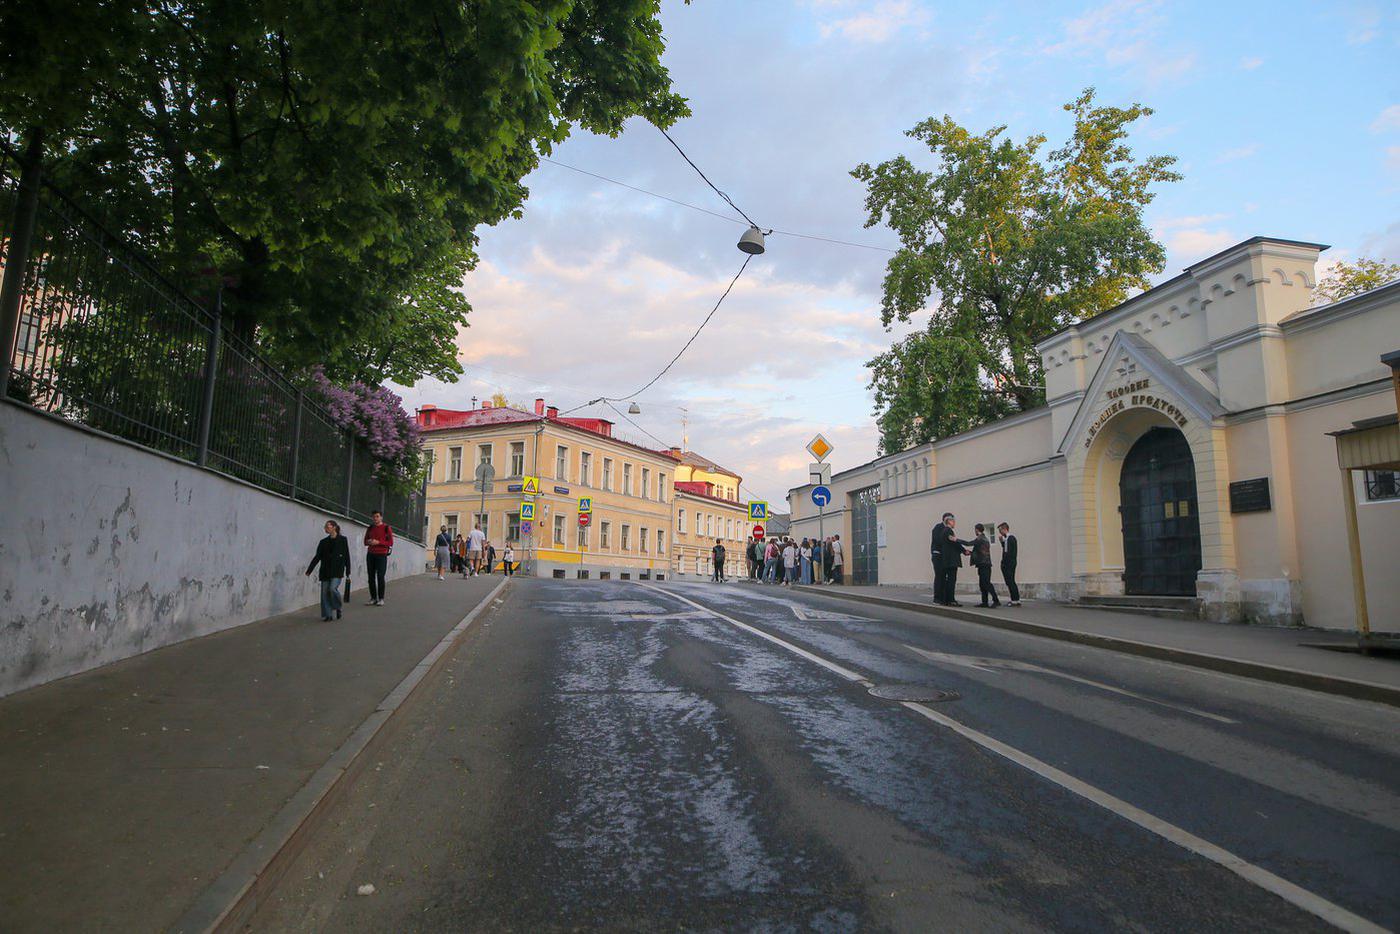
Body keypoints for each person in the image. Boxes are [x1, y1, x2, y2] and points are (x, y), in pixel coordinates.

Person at [306, 520, 351, 621]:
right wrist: (309, 570)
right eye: (325, 527)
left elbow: (346, 556)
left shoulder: (343, 540)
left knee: (332, 589)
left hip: (337, 570)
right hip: (325, 570)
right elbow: (317, 557)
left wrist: (348, 571)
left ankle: (338, 607)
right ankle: (328, 615)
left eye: (328, 526)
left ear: (334, 527)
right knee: (324, 593)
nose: (325, 528)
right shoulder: (323, 542)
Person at [931, 513, 969, 606]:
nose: (954, 522)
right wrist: (963, 550)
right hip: (939, 555)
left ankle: (944, 598)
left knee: (944, 578)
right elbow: (948, 542)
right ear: (947, 520)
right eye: (953, 520)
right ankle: (938, 598)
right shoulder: (941, 528)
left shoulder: (946, 530)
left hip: (944, 556)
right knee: (940, 576)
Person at [364, 511, 393, 606]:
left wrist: (378, 542)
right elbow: (365, 541)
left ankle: (381, 598)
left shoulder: (386, 528)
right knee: (371, 577)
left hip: (381, 555)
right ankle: (373, 598)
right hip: (371, 554)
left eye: (377, 516)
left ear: (381, 517)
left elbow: (390, 543)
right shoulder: (370, 527)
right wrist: (370, 541)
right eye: (374, 517)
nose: (375, 518)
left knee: (380, 576)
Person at [971, 523, 1000, 608]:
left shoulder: (980, 539)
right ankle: (984, 602)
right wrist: (971, 553)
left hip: (984, 564)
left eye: (975, 530)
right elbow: (980, 551)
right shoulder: (984, 538)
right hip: (983, 564)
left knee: (986, 583)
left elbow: (969, 543)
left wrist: (956, 540)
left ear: (977, 530)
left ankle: (996, 600)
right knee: (982, 584)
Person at [998, 522, 1021, 606]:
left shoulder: (1009, 538)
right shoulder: (1008, 539)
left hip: (1008, 563)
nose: (1000, 533)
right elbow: (1007, 549)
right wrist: (1002, 542)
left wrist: (1003, 563)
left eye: (1000, 530)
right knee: (1011, 581)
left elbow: (1007, 552)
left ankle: (1014, 599)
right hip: (1011, 562)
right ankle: (1016, 599)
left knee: (1010, 581)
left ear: (1005, 529)